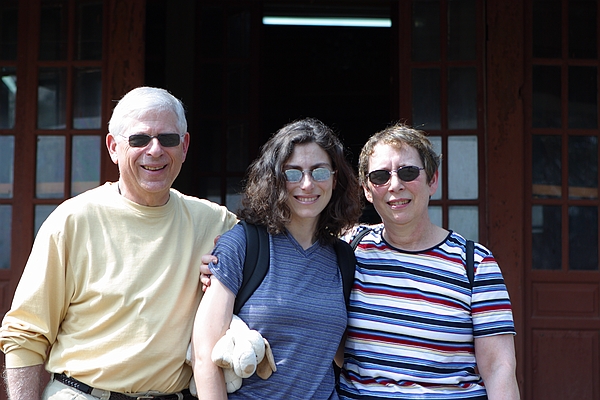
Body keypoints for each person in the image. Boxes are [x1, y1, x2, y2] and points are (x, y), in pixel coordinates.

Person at [0, 86, 238, 400]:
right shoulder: (73, 220)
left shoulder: (217, 224)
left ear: (185, 145)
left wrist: (227, 272)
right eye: (139, 139)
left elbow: (274, 288)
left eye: (167, 138)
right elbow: (26, 334)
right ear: (113, 147)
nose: (155, 150)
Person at [337, 123, 519, 399]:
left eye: (408, 172)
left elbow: (498, 368)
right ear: (367, 190)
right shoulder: (350, 250)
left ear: (432, 180)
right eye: (380, 176)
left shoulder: (475, 263)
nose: (395, 185)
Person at [191, 117, 363, 399]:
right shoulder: (243, 244)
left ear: (335, 177)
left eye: (319, 171)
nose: (307, 184)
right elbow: (204, 355)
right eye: (293, 173)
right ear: (275, 179)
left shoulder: (343, 257)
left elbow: (345, 356)